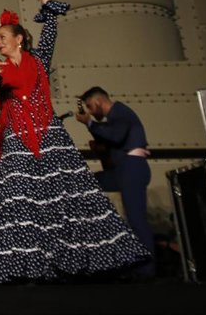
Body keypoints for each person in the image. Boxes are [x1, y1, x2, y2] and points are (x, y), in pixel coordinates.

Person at [0, 0, 149, 281]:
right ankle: (25, 265)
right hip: (18, 140)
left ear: (19, 39)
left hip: (50, 137)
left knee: (64, 199)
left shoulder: (38, 60)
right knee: (19, 202)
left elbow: (50, 25)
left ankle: (74, 261)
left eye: (3, 37)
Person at [76, 86, 155, 278]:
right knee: (88, 183)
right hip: (123, 170)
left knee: (137, 220)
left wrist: (89, 123)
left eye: (90, 106)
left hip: (132, 168)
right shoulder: (115, 117)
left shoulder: (120, 112)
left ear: (98, 101)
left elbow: (116, 136)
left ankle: (146, 269)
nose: (91, 112)